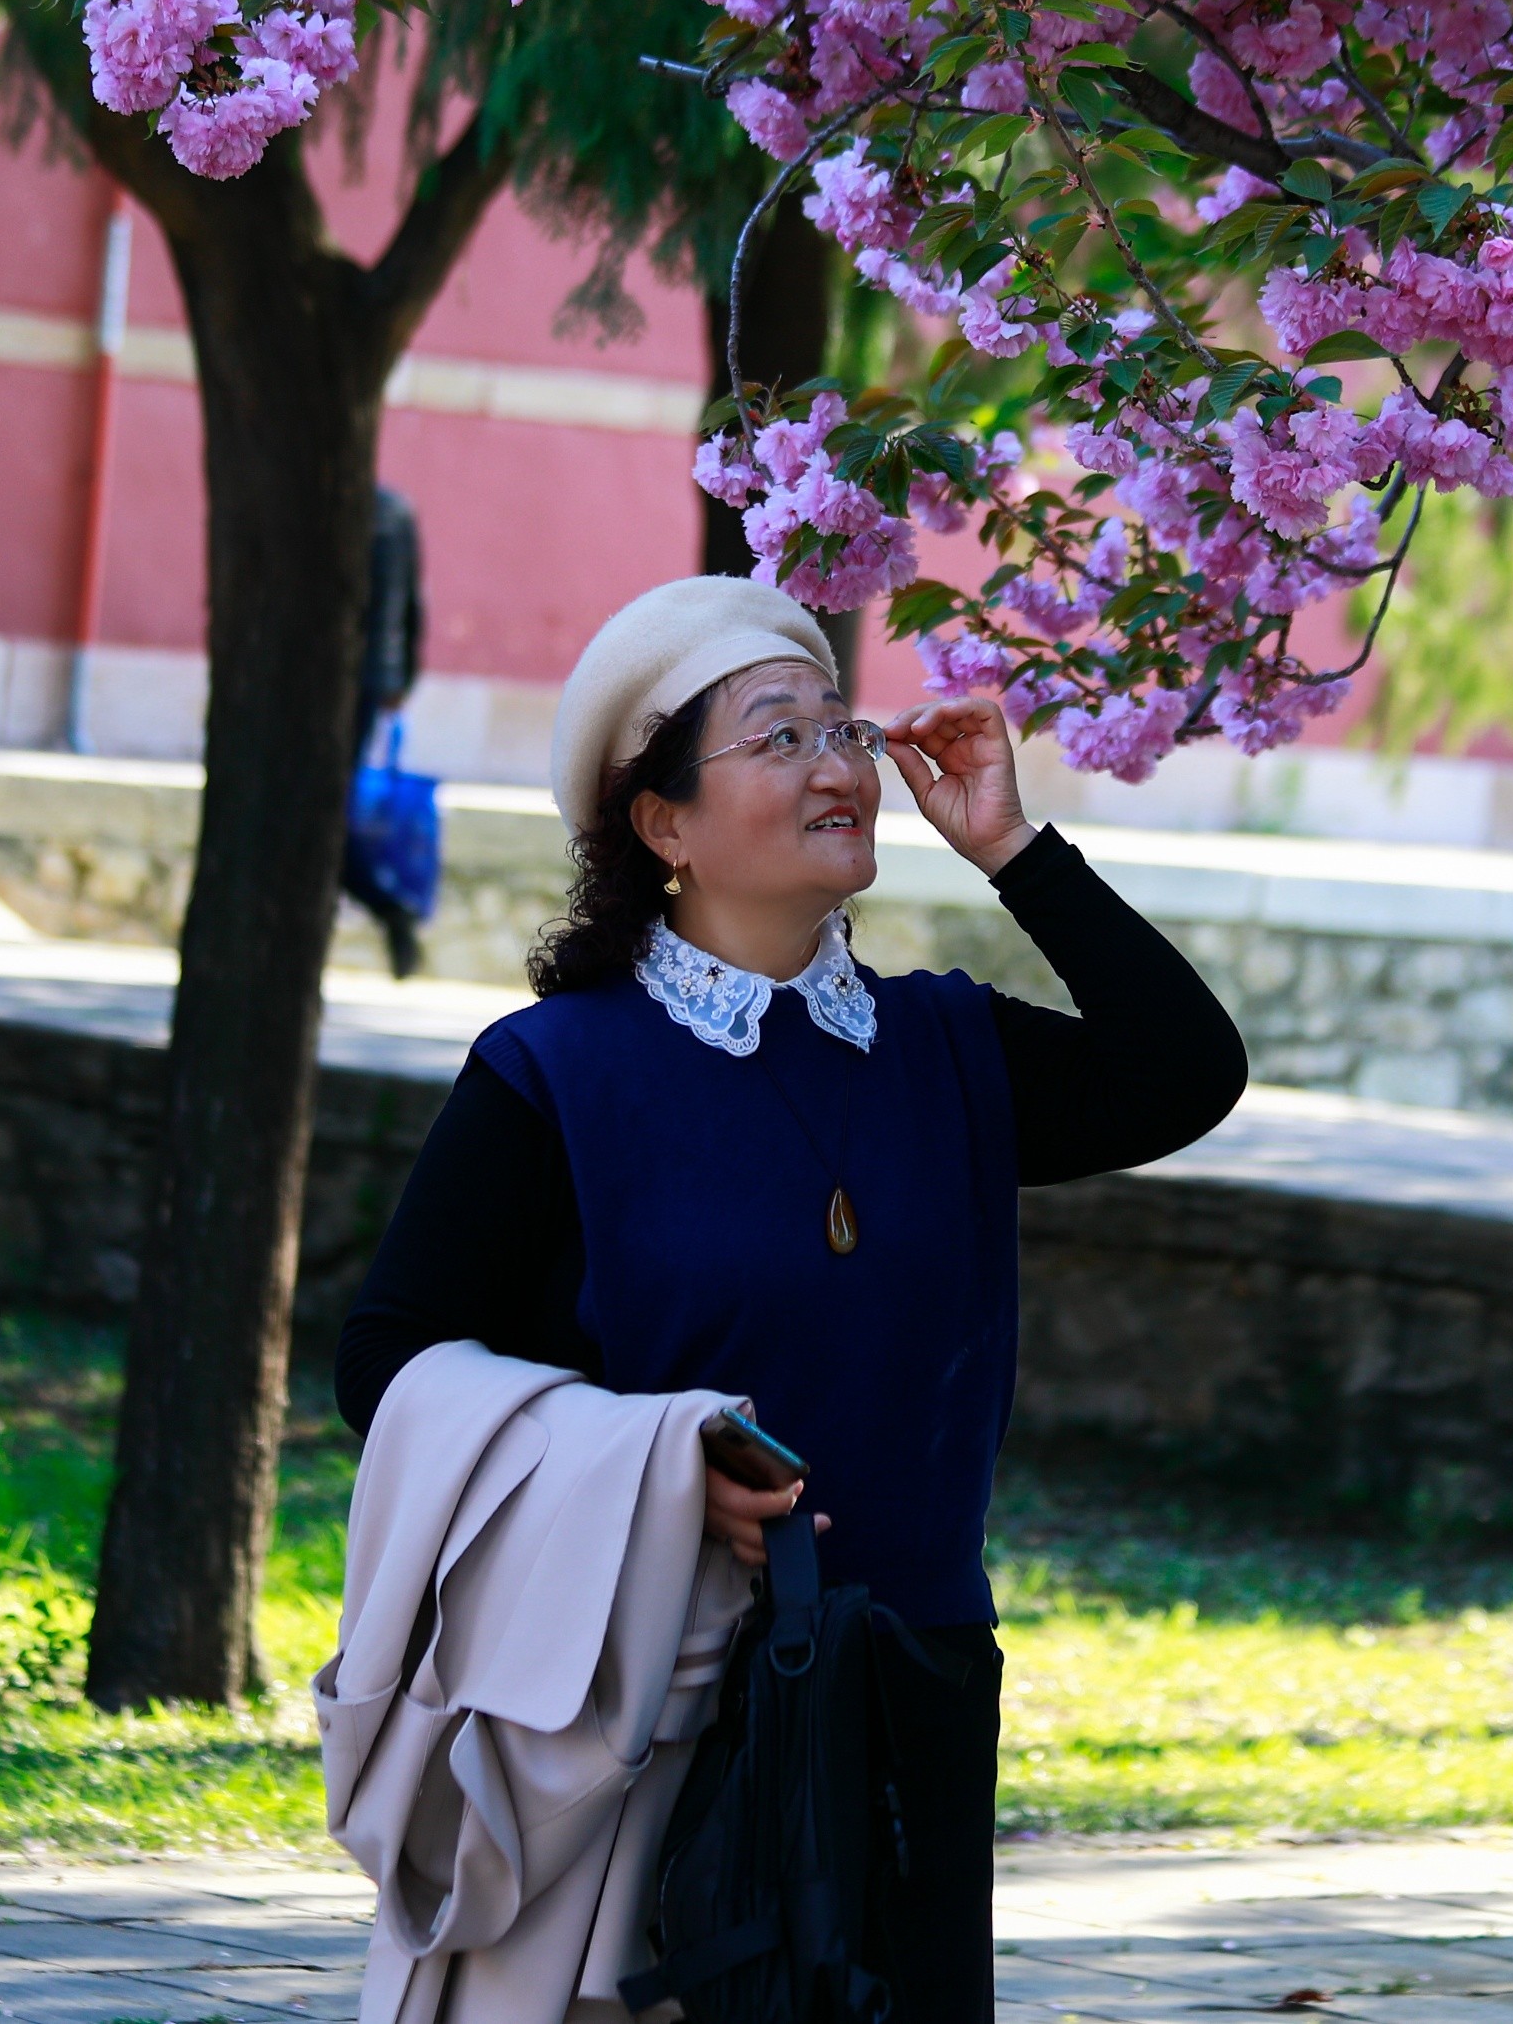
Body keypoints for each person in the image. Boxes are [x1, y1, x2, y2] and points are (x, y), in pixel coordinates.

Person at [335, 575, 1249, 2024]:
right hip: (659, 1687)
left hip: (914, 1681)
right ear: (664, 822)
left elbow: (1182, 1070)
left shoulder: (944, 1045)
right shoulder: (556, 1073)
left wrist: (1014, 847)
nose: (840, 763)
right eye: (779, 735)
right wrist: (653, 1464)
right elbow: (386, 1362)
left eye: (842, 723)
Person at [338, 487, 432, 977]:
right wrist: (399, 679)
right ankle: (389, 909)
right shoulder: (394, 512)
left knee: (321, 821)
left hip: (335, 683)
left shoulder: (325, 511)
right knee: (329, 817)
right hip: (370, 684)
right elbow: (412, 609)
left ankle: (388, 906)